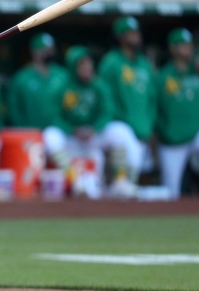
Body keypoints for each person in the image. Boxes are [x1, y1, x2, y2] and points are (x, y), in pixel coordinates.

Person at [43, 45, 137, 199]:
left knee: (121, 131)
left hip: (94, 135)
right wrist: (71, 130)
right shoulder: (63, 86)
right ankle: (75, 180)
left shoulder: (99, 85)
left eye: (88, 63)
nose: (86, 67)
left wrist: (95, 128)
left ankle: (120, 181)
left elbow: (108, 111)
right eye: (81, 64)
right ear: (73, 67)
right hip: (72, 136)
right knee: (50, 135)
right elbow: (53, 116)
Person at [97, 16, 156, 189]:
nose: (136, 36)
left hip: (142, 128)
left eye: (137, 32)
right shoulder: (111, 62)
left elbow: (152, 98)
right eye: (130, 33)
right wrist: (119, 117)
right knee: (124, 165)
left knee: (134, 174)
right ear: (120, 36)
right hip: (119, 126)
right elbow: (104, 96)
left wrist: (149, 123)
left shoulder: (144, 64)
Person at [156, 28, 199, 199]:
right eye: (183, 45)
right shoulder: (164, 76)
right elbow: (155, 109)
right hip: (172, 139)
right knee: (171, 190)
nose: (188, 49)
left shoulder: (196, 72)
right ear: (173, 49)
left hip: (196, 134)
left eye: (190, 45)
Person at [8, 32, 68, 130]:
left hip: (59, 132)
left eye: (51, 49)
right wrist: (23, 128)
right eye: (44, 49)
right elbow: (14, 109)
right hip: (31, 132)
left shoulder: (63, 75)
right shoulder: (21, 78)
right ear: (34, 51)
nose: (48, 52)